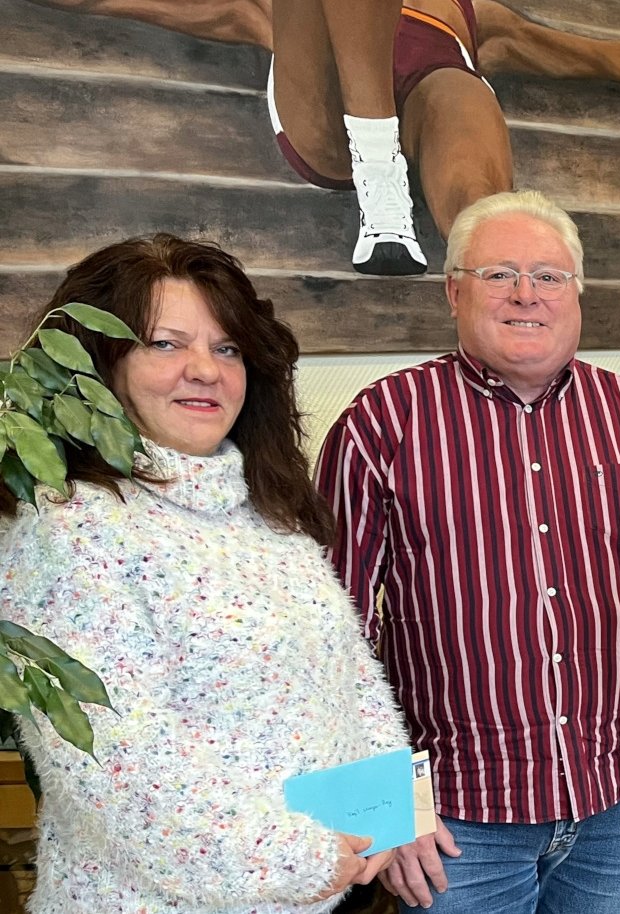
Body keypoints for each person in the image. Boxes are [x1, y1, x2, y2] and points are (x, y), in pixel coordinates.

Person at [315, 189, 620, 913]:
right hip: (455, 826)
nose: (525, 295)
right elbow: (328, 630)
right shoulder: (379, 424)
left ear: (577, 293)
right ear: (453, 291)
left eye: (548, 276)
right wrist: (380, 811)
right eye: (498, 274)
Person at [0, 234, 409, 911]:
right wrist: (302, 858)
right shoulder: (67, 526)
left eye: (227, 348)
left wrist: (388, 814)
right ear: (100, 362)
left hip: (322, 890)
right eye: (166, 344)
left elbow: (349, 676)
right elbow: (117, 764)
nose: (205, 369)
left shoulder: (263, 504)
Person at [37, 0, 620, 276]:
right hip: (329, 126)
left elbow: (589, 56)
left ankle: (490, 264)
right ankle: (380, 179)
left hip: (432, 113)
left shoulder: (474, 12)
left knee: (458, 88)